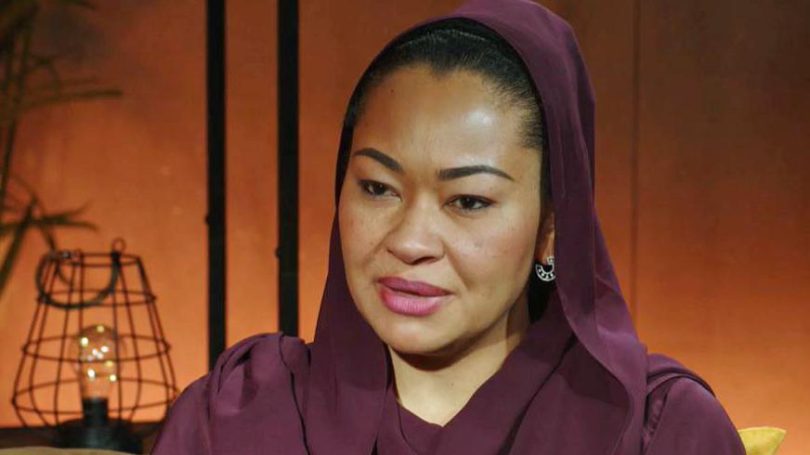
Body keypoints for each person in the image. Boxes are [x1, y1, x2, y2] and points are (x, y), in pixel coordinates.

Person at [152, 0, 745, 453]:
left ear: (552, 228)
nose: (409, 241)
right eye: (378, 188)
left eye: (467, 201)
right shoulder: (232, 419)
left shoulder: (657, 434)